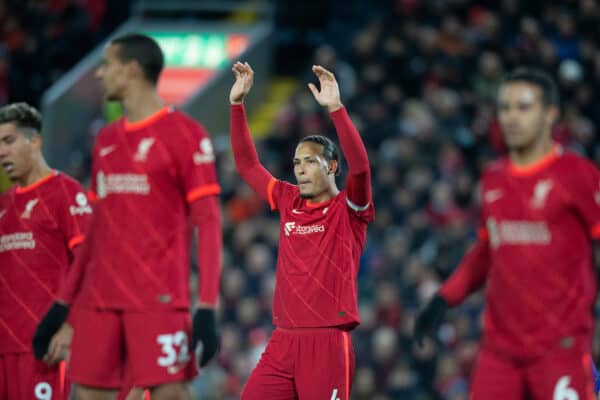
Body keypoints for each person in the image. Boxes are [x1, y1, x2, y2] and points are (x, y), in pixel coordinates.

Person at [32, 34, 222, 400]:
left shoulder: (185, 135)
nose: (100, 75)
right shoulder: (105, 141)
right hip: (100, 301)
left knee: (169, 394)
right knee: (87, 394)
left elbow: (209, 224)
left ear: (132, 70)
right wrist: (61, 305)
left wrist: (208, 307)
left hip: (158, 300)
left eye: (108, 66)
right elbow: (97, 232)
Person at [414, 67, 600, 399]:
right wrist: (443, 299)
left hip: (559, 348)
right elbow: (488, 251)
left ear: (549, 114)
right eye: (505, 107)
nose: (511, 117)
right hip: (499, 352)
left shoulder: (578, 176)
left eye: (524, 107)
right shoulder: (493, 179)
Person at [229, 62, 374, 400]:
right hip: (283, 339)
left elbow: (363, 167)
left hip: (327, 342)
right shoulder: (287, 199)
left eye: (310, 161)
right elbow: (248, 165)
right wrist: (237, 106)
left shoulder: (350, 209)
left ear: (332, 166)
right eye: (296, 163)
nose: (301, 170)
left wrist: (336, 110)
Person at [0, 102, 92, 399]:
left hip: (42, 348)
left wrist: (71, 328)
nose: (2, 152)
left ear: (34, 140)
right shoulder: (3, 205)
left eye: (9, 141)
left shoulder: (65, 192)